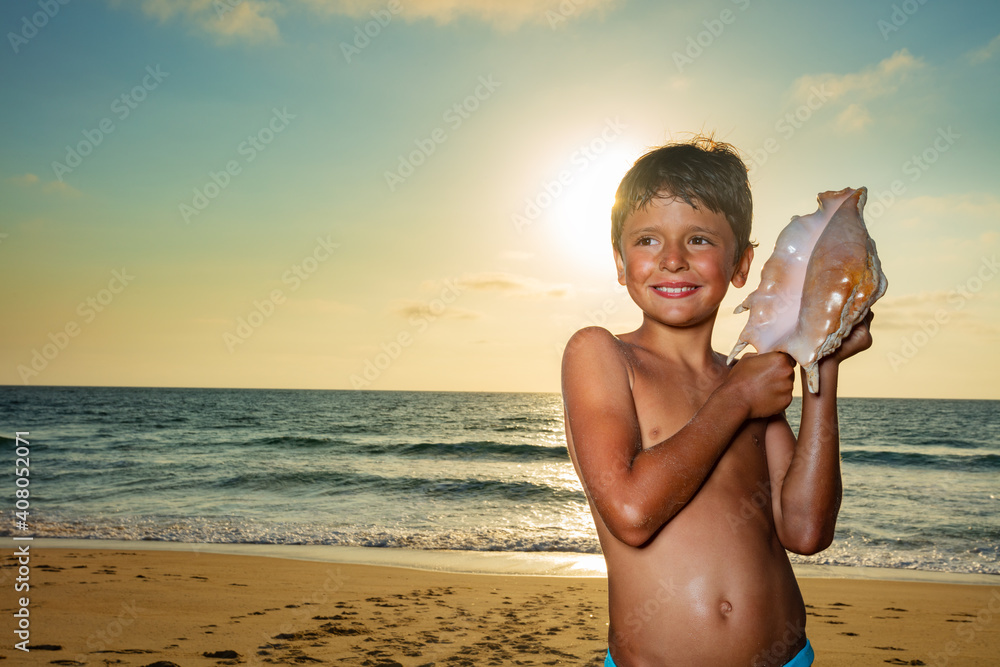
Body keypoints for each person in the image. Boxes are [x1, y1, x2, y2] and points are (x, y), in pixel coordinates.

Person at [560, 136, 873, 666]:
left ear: (741, 264)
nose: (674, 260)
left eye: (700, 239)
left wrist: (822, 365)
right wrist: (737, 399)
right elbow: (632, 513)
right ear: (619, 260)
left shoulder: (748, 381)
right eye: (648, 241)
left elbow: (805, 531)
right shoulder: (602, 355)